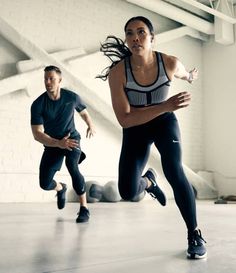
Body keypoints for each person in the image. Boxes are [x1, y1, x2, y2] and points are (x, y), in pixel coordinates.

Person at [97, 16, 206, 259]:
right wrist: (166, 104)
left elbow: (184, 73)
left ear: (152, 37)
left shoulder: (168, 63)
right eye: (130, 33)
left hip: (164, 124)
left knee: (174, 170)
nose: (135, 37)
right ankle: (148, 182)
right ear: (126, 39)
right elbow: (125, 119)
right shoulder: (118, 73)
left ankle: (194, 232)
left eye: (141, 32)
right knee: (126, 191)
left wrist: (190, 76)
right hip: (136, 127)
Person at [31, 65, 95, 223]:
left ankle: (84, 208)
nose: (47, 82)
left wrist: (90, 125)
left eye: (51, 78)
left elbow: (84, 112)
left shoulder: (72, 97)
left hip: (72, 139)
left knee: (72, 166)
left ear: (59, 80)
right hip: (53, 144)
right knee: (45, 183)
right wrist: (58, 143)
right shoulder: (38, 104)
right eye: (45, 78)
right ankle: (61, 188)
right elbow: (37, 134)